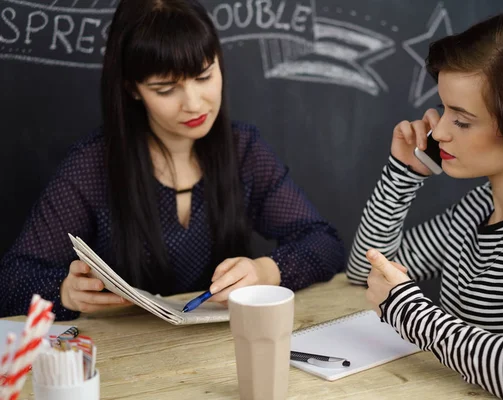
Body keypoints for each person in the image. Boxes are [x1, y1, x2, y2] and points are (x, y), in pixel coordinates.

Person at [0, 0, 345, 321]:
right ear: (132, 89)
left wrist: (266, 271)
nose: (194, 103)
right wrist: (64, 291)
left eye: (204, 76)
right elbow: (12, 278)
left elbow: (324, 243)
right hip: (124, 359)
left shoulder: (244, 150)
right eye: (166, 89)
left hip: (222, 351)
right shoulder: (93, 166)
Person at [347, 11, 503, 400]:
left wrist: (410, 312)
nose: (439, 131)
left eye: (462, 121)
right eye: (444, 109)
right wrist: (404, 174)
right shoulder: (479, 206)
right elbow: (370, 269)